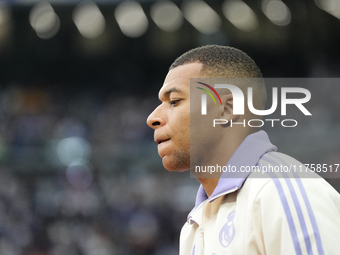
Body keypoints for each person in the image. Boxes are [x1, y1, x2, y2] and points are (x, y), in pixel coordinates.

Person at [146, 45, 340, 255]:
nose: (152, 118)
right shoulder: (193, 225)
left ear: (228, 109)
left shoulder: (281, 191)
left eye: (174, 101)